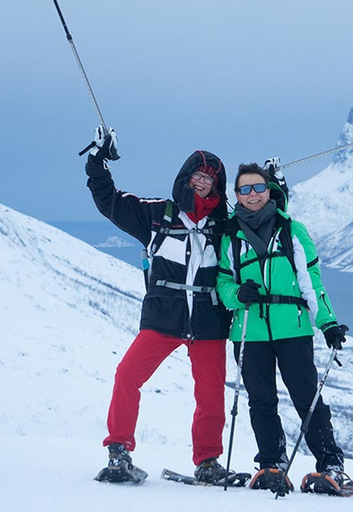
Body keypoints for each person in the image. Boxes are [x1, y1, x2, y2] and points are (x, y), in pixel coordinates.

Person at [85, 126, 235, 484]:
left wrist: (276, 187)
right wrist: (98, 161)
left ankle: (208, 462)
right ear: (185, 178)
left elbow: (267, 215)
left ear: (217, 186)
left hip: (209, 320)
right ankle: (119, 451)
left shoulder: (226, 226)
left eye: (209, 179)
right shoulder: (157, 215)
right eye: (197, 176)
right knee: (127, 376)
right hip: (163, 318)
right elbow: (110, 201)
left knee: (210, 394)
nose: (202, 183)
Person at [216, 161, 353, 497]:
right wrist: (237, 294)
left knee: (306, 397)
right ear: (236, 195)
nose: (252, 195)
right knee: (261, 400)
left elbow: (311, 281)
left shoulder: (292, 230)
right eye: (245, 189)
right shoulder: (230, 237)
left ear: (269, 191)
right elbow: (223, 282)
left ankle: (331, 465)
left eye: (258, 188)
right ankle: (271, 463)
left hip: (292, 328)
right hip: (249, 331)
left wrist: (326, 322)